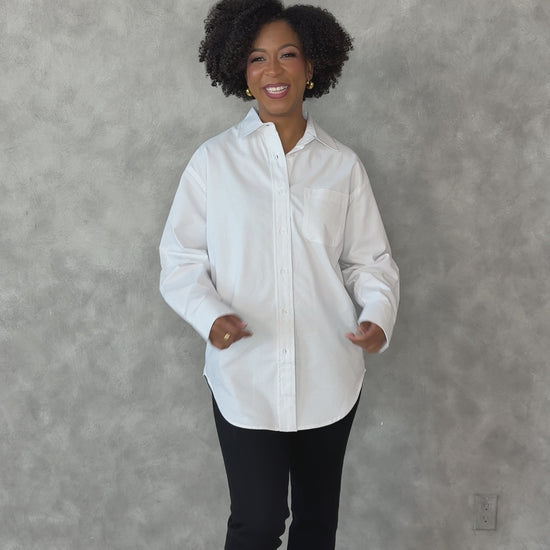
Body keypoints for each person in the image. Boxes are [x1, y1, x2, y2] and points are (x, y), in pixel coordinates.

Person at [159, 0, 399, 548]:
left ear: (311, 66)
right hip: (246, 376)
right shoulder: (213, 162)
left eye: (287, 55)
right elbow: (180, 260)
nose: (273, 69)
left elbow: (369, 260)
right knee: (258, 523)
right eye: (256, 58)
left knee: (316, 526)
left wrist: (378, 315)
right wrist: (210, 315)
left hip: (328, 374)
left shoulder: (342, 165)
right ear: (240, 72)